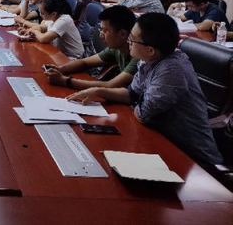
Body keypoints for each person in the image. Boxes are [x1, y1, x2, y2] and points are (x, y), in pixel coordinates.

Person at [68, 13, 223, 169]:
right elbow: (131, 94)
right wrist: (98, 91)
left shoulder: (171, 70)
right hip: (161, 142)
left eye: (132, 39)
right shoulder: (148, 60)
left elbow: (143, 114)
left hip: (193, 160)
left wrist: (136, 102)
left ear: (150, 50)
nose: (128, 42)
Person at [44, 5, 139, 89]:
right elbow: (85, 62)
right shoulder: (116, 49)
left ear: (122, 34)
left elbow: (110, 85)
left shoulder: (138, 56)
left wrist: (65, 81)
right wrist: (60, 69)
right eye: (101, 30)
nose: (101, 35)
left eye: (105, 31)